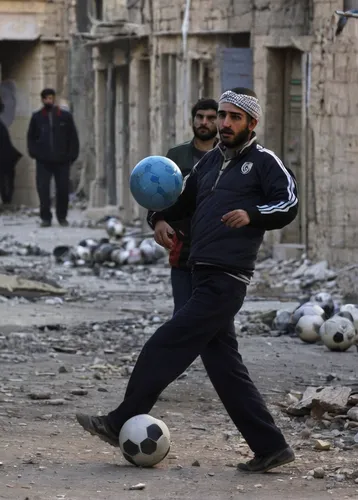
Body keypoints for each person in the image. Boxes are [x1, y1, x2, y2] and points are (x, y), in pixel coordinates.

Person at [76, 87, 299, 473]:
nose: (225, 124)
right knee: (225, 369)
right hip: (199, 270)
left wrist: (252, 213)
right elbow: (179, 201)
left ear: (252, 123)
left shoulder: (264, 162)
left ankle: (119, 421)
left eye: (233, 118)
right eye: (223, 116)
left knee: (167, 341)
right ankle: (271, 446)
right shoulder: (210, 163)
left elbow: (288, 202)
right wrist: (158, 219)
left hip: (227, 278)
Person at [148, 97, 219, 315]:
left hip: (218, 251)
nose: (204, 122)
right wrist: (158, 219)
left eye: (210, 118)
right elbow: (158, 192)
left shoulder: (229, 157)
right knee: (183, 313)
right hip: (183, 250)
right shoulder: (176, 156)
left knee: (214, 317)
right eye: (199, 117)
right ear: (192, 121)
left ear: (219, 122)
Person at [27, 88, 79, 227]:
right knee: (43, 190)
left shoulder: (64, 116)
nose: (49, 101)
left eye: (51, 98)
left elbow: (72, 137)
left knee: (62, 189)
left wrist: (71, 156)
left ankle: (62, 217)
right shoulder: (37, 117)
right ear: (43, 100)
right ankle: (46, 218)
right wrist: (35, 153)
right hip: (43, 161)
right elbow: (31, 137)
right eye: (47, 99)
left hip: (62, 161)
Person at [0, 96, 22, 205]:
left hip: (5, 160)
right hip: (5, 161)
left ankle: (6, 201)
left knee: (6, 182)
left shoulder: (1, 126)